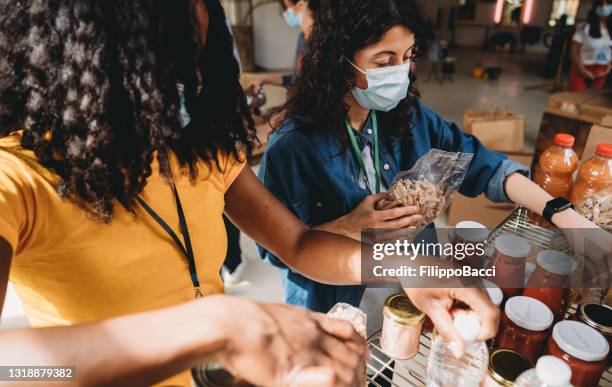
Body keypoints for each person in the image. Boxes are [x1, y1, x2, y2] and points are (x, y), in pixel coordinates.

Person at [0, 0, 501, 386]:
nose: (193, 80)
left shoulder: (198, 147)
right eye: (168, 61)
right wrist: (218, 326)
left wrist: (406, 267)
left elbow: (300, 246)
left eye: (198, 56)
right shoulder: (16, 180)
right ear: (86, 58)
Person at [258, 0, 609, 334]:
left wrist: (563, 214)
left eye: (408, 56)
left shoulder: (406, 118)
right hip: (339, 301)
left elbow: (486, 165)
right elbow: (282, 250)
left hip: (417, 282)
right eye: (384, 62)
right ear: (340, 60)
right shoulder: (293, 148)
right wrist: (348, 226)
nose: (401, 71)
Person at [248, 0, 315, 90]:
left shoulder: (322, 40)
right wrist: (263, 79)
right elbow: (295, 79)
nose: (287, 12)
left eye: (288, 7)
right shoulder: (302, 37)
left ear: (301, 4)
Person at [568, 0, 611, 91]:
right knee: (576, 99)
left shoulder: (609, 31)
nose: (604, 8)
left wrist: (608, 68)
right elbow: (574, 51)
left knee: (591, 100)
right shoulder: (584, 27)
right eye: (601, 5)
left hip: (601, 71)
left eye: (608, 5)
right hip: (582, 68)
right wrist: (582, 70)